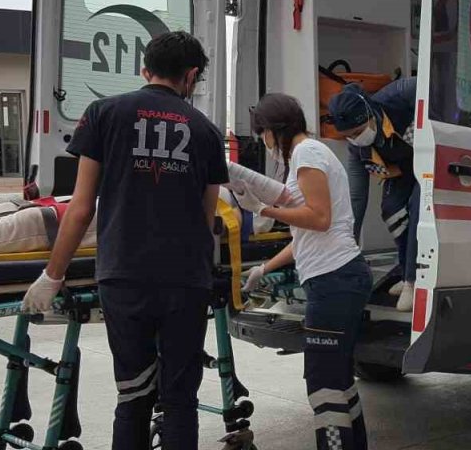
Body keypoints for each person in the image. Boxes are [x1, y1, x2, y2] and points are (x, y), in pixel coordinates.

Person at [21, 31, 228, 450]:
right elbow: (206, 219)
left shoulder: (104, 114)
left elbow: (81, 208)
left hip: (124, 275)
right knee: (179, 400)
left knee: (132, 394)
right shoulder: (206, 131)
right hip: (185, 279)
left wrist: (52, 275)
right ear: (190, 76)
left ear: (144, 69)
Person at [236, 93, 371, 450]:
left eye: (262, 133)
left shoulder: (307, 153)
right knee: (339, 381)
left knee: (323, 384)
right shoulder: (307, 154)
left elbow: (319, 218)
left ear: (272, 130)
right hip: (338, 276)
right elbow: (307, 235)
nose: (264, 142)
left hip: (335, 280)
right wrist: (264, 267)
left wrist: (265, 208)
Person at [327, 78, 418, 311]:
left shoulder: (397, 98)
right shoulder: (357, 148)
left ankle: (412, 281)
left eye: (358, 131)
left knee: (418, 208)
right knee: (392, 209)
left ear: (369, 113)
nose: (356, 138)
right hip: (402, 167)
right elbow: (356, 200)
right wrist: (349, 248)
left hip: (429, 157)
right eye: (349, 136)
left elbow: (433, 81)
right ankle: (406, 269)